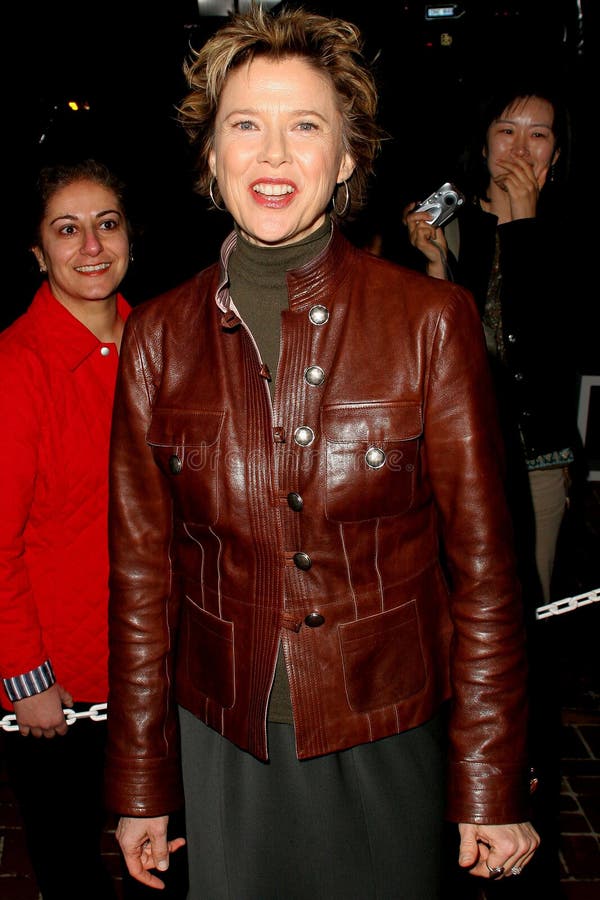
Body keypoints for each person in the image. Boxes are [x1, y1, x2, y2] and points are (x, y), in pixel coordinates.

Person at [104, 6, 540, 898]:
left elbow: (487, 571)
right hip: (223, 738)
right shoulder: (154, 337)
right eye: (245, 126)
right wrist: (142, 785)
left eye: (305, 126)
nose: (272, 154)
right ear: (211, 156)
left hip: (387, 729)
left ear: (344, 160)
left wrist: (490, 779)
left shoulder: (428, 322)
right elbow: (143, 584)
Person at [403, 83, 582, 898]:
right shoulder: (449, 220)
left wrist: (528, 233)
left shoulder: (565, 229)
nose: (521, 148)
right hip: (452, 465)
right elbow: (450, 363)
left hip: (535, 462)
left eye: (540, 136)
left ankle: (519, 780)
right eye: (507, 129)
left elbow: (545, 361)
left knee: (521, 622)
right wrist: (436, 266)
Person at [0, 159, 132, 900]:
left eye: (106, 224)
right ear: (39, 251)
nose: (91, 246)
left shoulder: (160, 343)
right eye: (67, 229)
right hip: (60, 681)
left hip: (152, 662)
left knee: (172, 852)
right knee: (69, 866)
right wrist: (26, 677)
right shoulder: (17, 366)